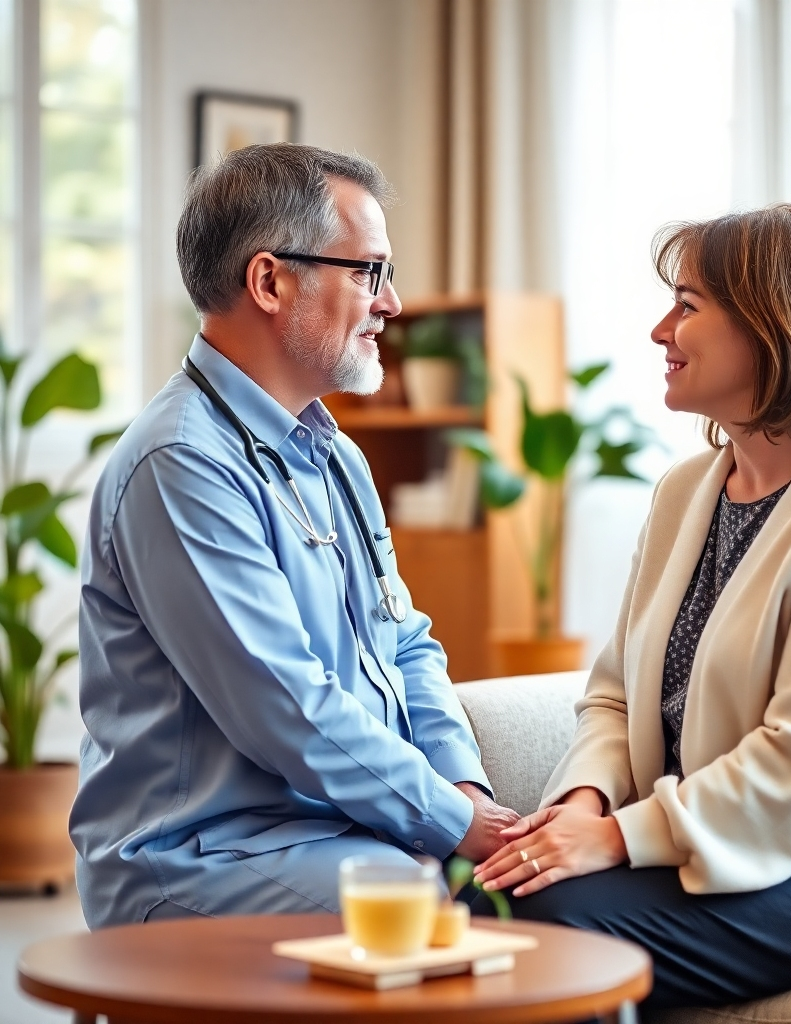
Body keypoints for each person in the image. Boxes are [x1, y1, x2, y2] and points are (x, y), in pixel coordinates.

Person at [473, 205, 791, 1008]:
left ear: (773, 328)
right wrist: (582, 805)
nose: (659, 330)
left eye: (686, 306)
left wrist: (615, 839)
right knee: (486, 900)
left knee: (542, 931)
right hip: (740, 840)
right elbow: (614, 695)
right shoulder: (687, 491)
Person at [72, 144, 518, 929]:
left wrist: (466, 790)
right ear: (271, 281)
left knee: (543, 902)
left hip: (337, 834)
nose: (393, 302)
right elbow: (284, 705)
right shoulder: (181, 462)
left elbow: (404, 642)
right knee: (458, 917)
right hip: (198, 859)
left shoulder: (335, 453)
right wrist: (454, 827)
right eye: (368, 273)